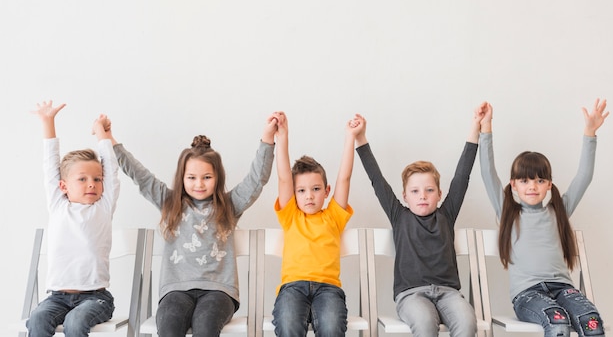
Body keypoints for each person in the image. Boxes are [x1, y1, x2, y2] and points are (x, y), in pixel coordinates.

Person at [110, 115, 277, 337]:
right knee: (169, 327)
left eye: (207, 177)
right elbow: (140, 176)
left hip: (219, 292)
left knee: (206, 326)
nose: (199, 184)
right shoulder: (170, 203)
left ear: (217, 177)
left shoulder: (229, 205)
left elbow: (257, 179)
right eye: (192, 177)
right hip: (175, 290)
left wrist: (267, 139)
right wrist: (109, 140)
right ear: (182, 178)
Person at [478, 99, 608, 337]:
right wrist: (486, 128)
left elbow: (584, 177)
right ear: (514, 185)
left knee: (591, 323)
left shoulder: (558, 211)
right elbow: (487, 173)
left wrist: (590, 133)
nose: (532, 186)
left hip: (563, 289)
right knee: (558, 322)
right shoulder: (507, 212)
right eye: (525, 180)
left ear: (549, 184)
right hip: (528, 294)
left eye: (539, 180)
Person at [354, 112, 480, 337]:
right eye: (415, 191)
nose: (422, 196)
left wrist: (475, 129)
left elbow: (463, 176)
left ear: (439, 194)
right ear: (404, 195)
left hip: (449, 293)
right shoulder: (399, 216)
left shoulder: (446, 215)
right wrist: (361, 138)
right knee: (424, 324)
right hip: (411, 295)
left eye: (429, 190)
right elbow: (377, 179)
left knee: (468, 322)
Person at [27, 100, 120, 337]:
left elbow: (111, 166)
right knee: (36, 320)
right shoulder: (58, 205)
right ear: (63, 186)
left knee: (75, 323)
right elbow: (50, 164)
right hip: (57, 297)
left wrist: (101, 134)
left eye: (97, 179)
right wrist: (48, 122)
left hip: (95, 297)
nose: (92, 183)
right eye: (82, 179)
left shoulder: (103, 206)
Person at [271, 111, 359, 337]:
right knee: (288, 326)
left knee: (332, 328)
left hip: (328, 289)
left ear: (327, 191)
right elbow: (283, 178)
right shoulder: (290, 215)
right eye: (301, 190)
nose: (309, 196)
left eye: (316, 189)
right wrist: (283, 137)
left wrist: (350, 137)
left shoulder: (333, 216)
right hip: (293, 288)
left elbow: (344, 178)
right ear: (294, 193)